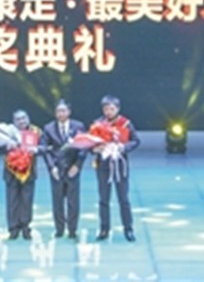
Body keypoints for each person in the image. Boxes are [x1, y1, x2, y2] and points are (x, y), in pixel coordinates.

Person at [91, 95, 140, 242]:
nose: (109, 112)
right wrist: (95, 149)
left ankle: (128, 229)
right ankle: (104, 229)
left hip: (120, 166)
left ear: (117, 109)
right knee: (103, 199)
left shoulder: (125, 124)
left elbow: (136, 141)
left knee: (123, 199)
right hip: (103, 166)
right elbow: (90, 143)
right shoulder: (97, 124)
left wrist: (123, 147)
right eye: (106, 109)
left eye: (111, 109)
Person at [41, 99, 87, 239]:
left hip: (72, 168)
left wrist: (77, 166)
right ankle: (59, 229)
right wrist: (51, 167)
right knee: (57, 201)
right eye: (58, 111)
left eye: (63, 111)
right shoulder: (48, 128)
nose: (61, 114)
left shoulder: (78, 126)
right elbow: (45, 150)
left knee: (73, 202)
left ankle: (72, 229)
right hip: (57, 170)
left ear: (69, 112)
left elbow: (84, 148)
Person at [0, 109, 41, 240]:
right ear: (14, 122)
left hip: (29, 172)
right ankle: (13, 229)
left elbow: (44, 147)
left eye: (24, 118)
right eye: (18, 119)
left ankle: (26, 227)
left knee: (27, 201)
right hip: (11, 172)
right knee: (12, 201)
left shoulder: (36, 132)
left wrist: (36, 149)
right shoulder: (7, 133)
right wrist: (6, 146)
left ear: (28, 119)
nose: (22, 121)